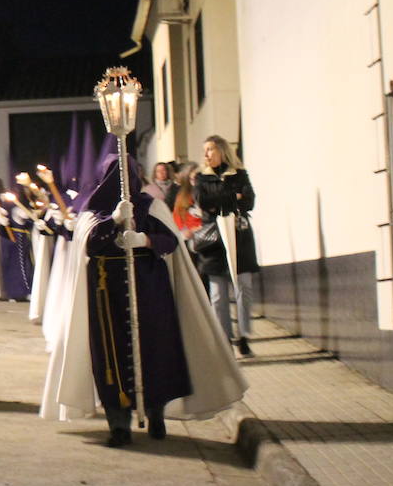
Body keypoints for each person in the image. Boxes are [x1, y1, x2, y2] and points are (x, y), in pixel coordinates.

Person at [40, 155, 246, 446]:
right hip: (106, 293)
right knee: (111, 356)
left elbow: (170, 241)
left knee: (155, 350)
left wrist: (145, 240)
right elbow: (89, 244)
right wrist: (113, 220)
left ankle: (156, 414)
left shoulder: (153, 206)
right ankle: (119, 424)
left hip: (150, 287)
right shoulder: (93, 211)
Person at [195, 135, 258, 358]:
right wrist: (234, 196)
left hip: (240, 238)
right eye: (205, 150)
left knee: (244, 288)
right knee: (218, 295)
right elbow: (205, 202)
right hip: (214, 242)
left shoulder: (239, 174)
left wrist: (223, 198)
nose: (206, 154)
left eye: (210, 149)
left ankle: (244, 336)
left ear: (222, 150)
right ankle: (225, 341)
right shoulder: (201, 178)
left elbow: (250, 201)